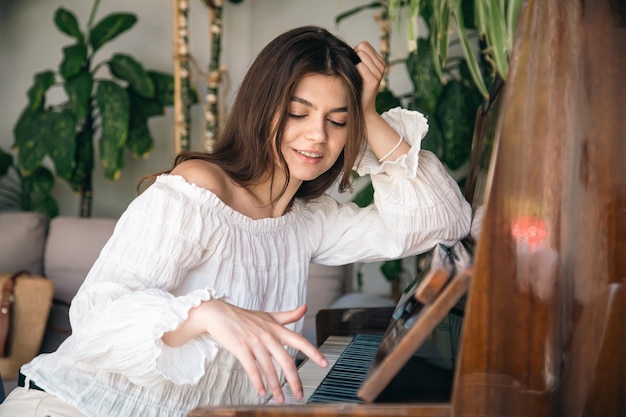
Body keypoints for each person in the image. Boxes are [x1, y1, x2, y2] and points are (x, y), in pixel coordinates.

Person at [0, 25, 471, 417]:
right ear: (262, 108)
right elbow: (95, 315)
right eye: (297, 113)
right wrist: (204, 313)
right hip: (79, 407)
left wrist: (368, 113)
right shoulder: (197, 190)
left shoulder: (305, 220)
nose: (317, 136)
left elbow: (443, 222)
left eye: (338, 120)